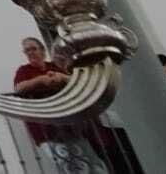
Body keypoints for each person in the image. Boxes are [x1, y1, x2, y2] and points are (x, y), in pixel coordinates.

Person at [14, 37, 110, 174]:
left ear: (42, 50)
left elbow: (77, 81)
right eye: (27, 50)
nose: (30, 52)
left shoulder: (55, 66)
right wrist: (41, 80)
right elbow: (19, 88)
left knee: (93, 164)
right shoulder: (24, 71)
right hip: (46, 129)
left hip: (72, 126)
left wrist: (61, 77)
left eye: (33, 48)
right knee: (67, 166)